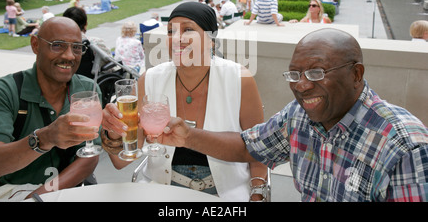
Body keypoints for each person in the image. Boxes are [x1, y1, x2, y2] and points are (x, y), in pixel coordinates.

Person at [160, 28, 428, 202]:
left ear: (356, 74)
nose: (301, 85)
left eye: (316, 73)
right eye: (295, 74)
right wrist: (188, 136)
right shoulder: (298, 115)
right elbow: (248, 147)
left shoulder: (404, 148)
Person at [100, 2, 267, 201]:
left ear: (211, 40)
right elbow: (122, 161)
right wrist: (113, 132)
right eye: (171, 31)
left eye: (188, 29)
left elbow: (260, 149)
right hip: (161, 192)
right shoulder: (150, 79)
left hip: (226, 194)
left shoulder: (239, 78)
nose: (177, 38)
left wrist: (258, 192)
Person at [0, 17, 101, 201]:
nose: (69, 56)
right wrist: (44, 138)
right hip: (10, 191)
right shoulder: (3, 92)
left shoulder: (87, 91)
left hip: (63, 190)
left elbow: (89, 155)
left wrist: (39, 196)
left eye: (76, 47)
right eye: (57, 45)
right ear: (35, 45)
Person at [63, 7, 112, 79]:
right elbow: (110, 64)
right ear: (85, 24)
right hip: (91, 83)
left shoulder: (56, 45)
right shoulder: (95, 43)